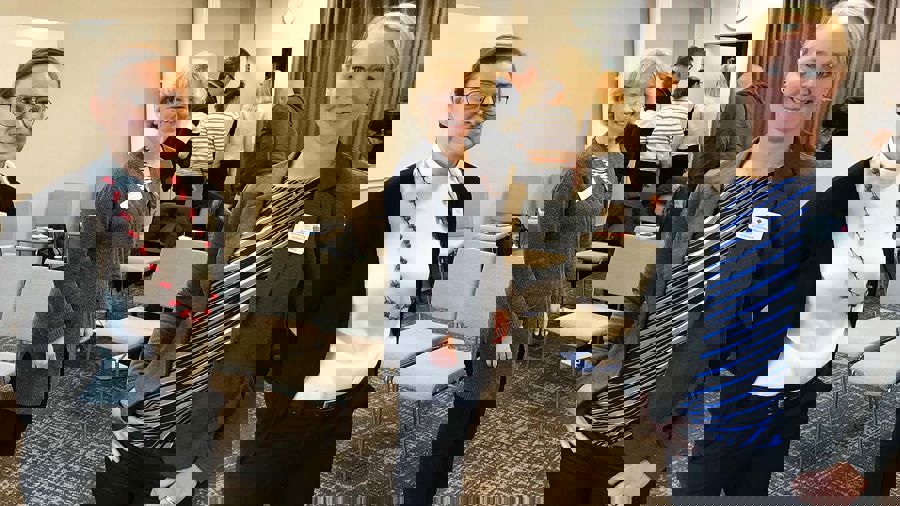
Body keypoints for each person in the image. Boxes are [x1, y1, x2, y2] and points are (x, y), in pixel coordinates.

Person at [638, 0, 875, 498]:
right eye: (801, 67)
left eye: (824, 72)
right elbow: (676, 294)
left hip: (758, 401)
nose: (809, 84)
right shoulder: (719, 176)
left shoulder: (834, 184)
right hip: (686, 382)